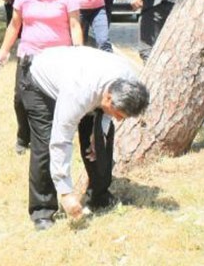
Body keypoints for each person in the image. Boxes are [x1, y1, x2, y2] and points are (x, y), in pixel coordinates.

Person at [22, 46, 149, 230]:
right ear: (107, 98)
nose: (120, 119)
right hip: (40, 84)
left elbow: (107, 114)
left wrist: (99, 133)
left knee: (101, 142)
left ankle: (99, 195)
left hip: (87, 82)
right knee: (45, 145)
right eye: (119, 114)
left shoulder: (130, 81)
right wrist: (65, 191)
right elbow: (61, 139)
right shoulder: (79, 91)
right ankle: (42, 210)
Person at [0, 0, 83, 157]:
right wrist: (3, 51)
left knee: (53, 102)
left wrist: (79, 53)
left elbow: (75, 26)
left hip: (58, 59)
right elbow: (14, 25)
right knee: (20, 101)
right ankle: (23, 135)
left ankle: (48, 141)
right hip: (28, 57)